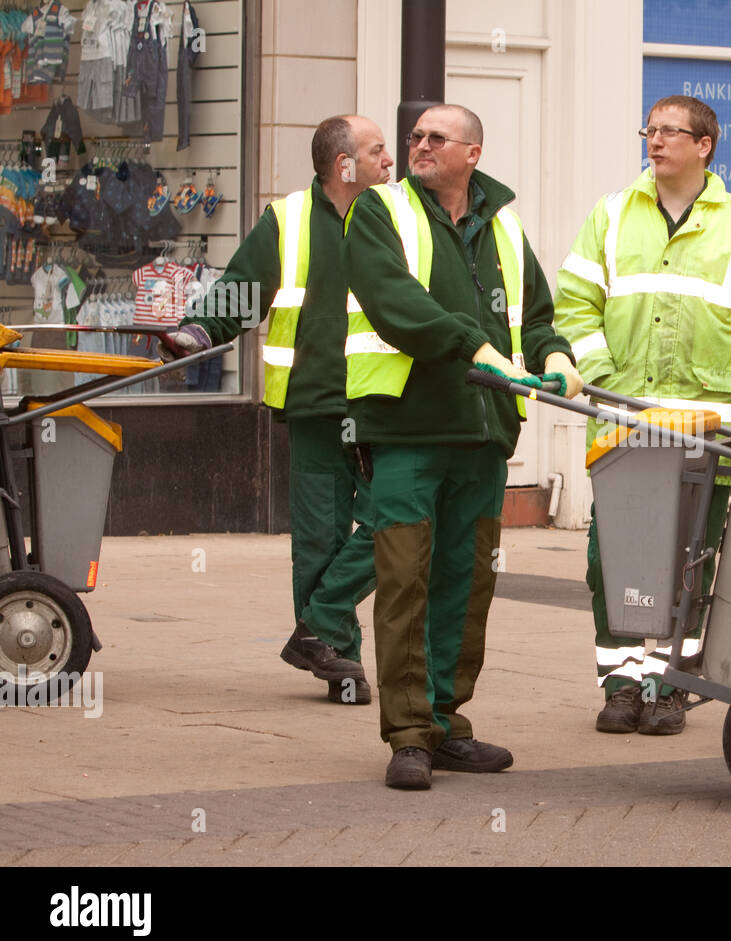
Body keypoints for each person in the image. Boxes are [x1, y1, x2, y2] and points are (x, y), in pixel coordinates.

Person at [554, 94, 731, 737]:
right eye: (648, 130)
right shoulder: (611, 217)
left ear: (704, 144)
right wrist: (605, 378)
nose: (654, 142)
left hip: (708, 431)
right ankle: (622, 681)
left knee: (691, 561)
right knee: (614, 560)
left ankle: (669, 686)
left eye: (669, 132)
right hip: (626, 424)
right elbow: (572, 307)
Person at [342, 103, 582, 790]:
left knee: (466, 583)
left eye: (434, 138)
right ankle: (409, 734)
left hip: (482, 434)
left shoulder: (502, 224)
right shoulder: (380, 212)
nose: (418, 145)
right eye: (414, 136)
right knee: (403, 581)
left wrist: (555, 354)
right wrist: (473, 345)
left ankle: (447, 721)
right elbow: (394, 302)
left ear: (471, 153)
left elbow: (534, 314)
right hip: (406, 431)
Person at [163, 115, 393, 705]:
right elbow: (244, 288)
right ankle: (338, 657)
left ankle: (318, 625)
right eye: (377, 151)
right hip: (314, 404)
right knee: (319, 537)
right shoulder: (287, 220)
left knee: (396, 522)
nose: (389, 160)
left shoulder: (399, 218)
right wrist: (197, 331)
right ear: (345, 164)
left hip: (384, 402)